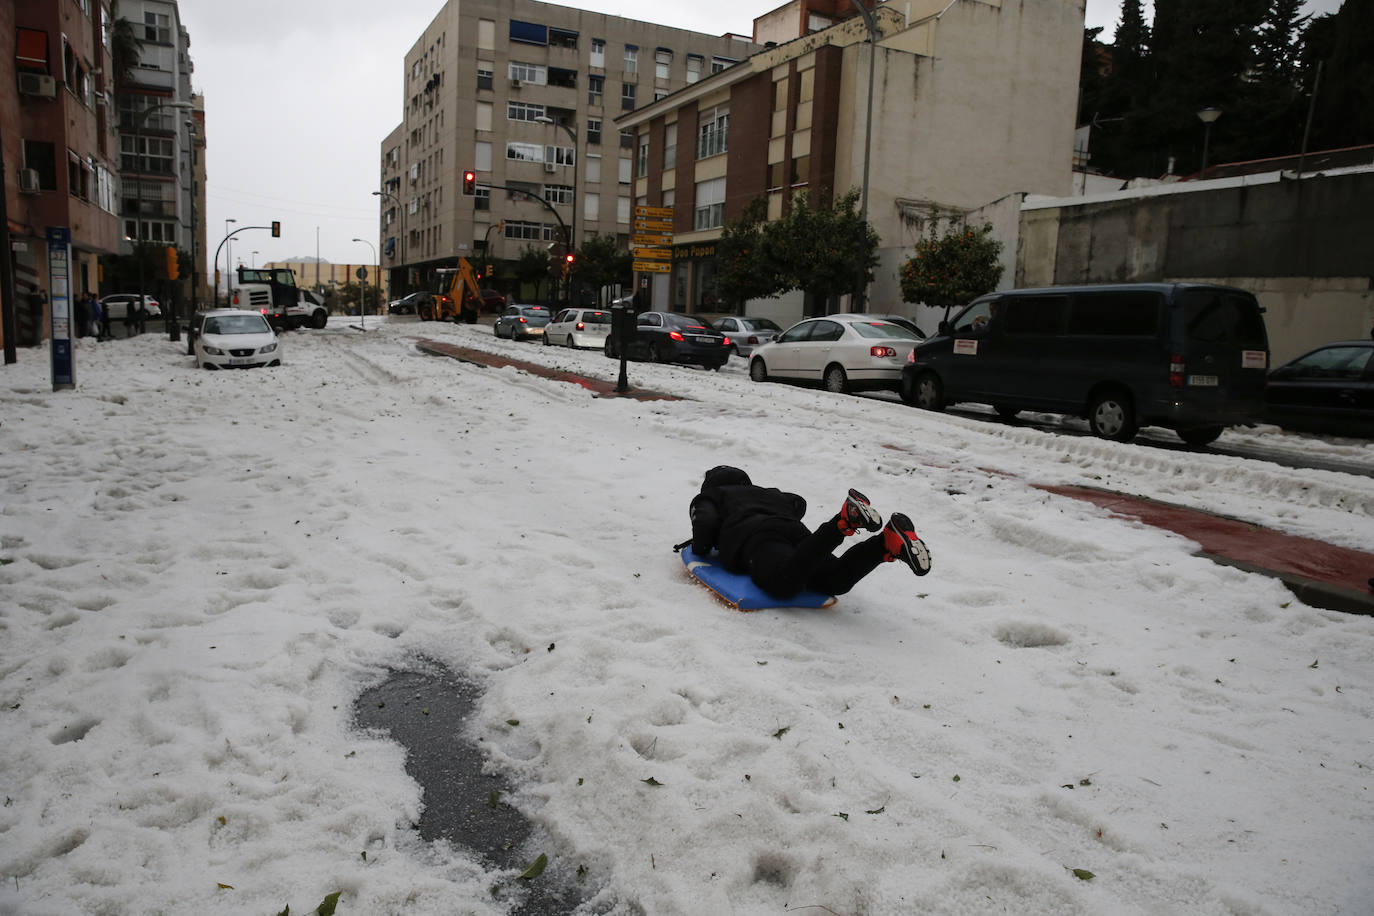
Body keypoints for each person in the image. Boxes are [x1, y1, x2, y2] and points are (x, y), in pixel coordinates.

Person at [683, 466, 931, 601]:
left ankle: (841, 522)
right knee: (835, 580)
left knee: (783, 583)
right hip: (796, 532)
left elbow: (704, 520)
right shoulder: (770, 492)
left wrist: (701, 547)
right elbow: (798, 503)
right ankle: (885, 543)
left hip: (759, 537)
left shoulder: (714, 496)